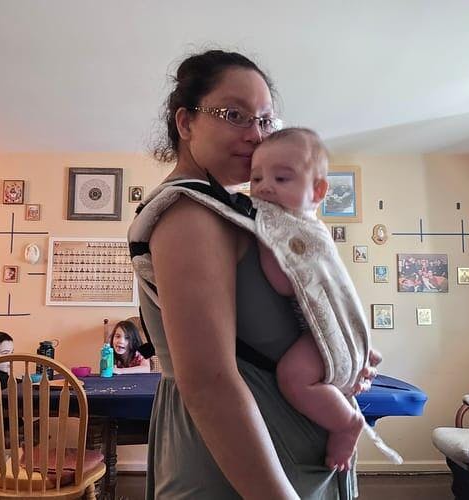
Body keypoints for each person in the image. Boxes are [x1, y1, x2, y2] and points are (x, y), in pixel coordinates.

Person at [129, 49, 380, 499]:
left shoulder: (242, 213)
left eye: (264, 120)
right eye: (234, 115)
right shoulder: (190, 215)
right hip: (241, 471)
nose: (255, 134)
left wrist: (342, 350)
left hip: (286, 458)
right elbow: (209, 384)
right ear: (186, 123)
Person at [250, 127, 381, 471]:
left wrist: (265, 244)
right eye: (256, 178)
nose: (264, 187)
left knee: (294, 376)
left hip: (324, 330)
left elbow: (285, 283)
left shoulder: (304, 232)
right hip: (321, 326)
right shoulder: (290, 222)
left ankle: (347, 423)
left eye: (281, 178)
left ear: (318, 191)